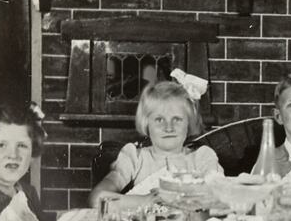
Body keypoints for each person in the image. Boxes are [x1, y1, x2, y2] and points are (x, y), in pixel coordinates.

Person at [88, 70, 222, 209]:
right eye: (159, 119)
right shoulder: (135, 157)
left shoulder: (202, 158)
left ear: (189, 123)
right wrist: (146, 201)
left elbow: (222, 198)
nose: (168, 127)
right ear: (147, 123)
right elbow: (98, 200)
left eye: (177, 119)